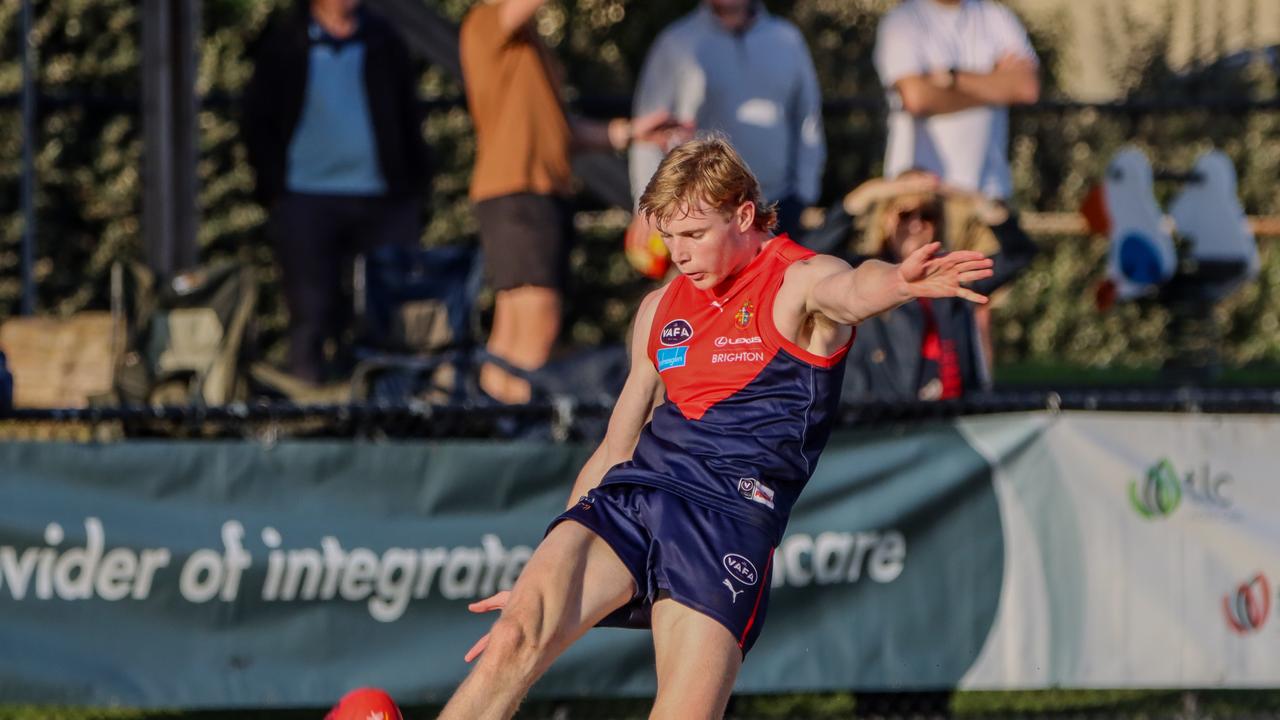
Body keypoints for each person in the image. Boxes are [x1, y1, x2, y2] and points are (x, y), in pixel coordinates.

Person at [436, 137, 993, 719]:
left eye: (694, 234)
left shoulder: (796, 281)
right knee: (513, 638)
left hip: (725, 523)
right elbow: (614, 447)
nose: (678, 253)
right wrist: (556, 548)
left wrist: (899, 284)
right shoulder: (659, 309)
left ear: (744, 215)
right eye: (668, 236)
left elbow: (852, 289)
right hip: (636, 496)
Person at [461, 0, 688, 405]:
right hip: (521, 196)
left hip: (529, 196)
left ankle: (491, 423)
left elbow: (561, 133)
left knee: (512, 332)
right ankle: (512, 433)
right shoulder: (486, 22)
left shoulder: (526, 45)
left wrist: (633, 132)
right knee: (536, 328)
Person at [244, 0, 431, 384]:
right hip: (306, 197)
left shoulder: (384, 40)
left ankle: (388, 404)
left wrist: (413, 189)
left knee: (388, 309)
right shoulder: (285, 42)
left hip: (382, 199)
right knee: (311, 310)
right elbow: (257, 120)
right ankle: (312, 408)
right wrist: (272, 188)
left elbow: (409, 118)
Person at [809, 170, 1036, 401]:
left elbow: (1019, 253)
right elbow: (811, 255)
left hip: (953, 411)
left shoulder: (950, 270)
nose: (915, 225)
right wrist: (870, 192)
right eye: (905, 214)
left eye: (927, 215)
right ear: (886, 219)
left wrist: (965, 196)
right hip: (886, 414)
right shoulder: (862, 271)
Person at [629, 0, 826, 240]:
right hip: (698, 213)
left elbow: (807, 117)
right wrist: (647, 206)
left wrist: (804, 193)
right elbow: (649, 131)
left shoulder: (788, 39)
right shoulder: (676, 42)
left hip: (779, 208)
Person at [873, 0, 1039, 200]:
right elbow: (917, 98)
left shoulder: (997, 16)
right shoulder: (902, 20)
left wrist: (952, 78)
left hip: (988, 193)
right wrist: (996, 86)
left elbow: (1026, 88)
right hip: (921, 195)